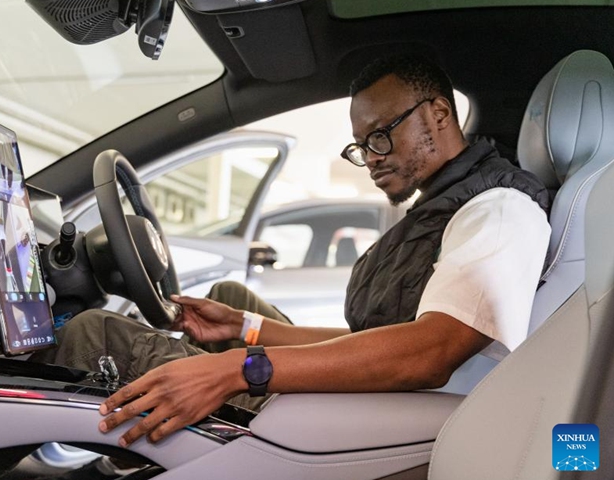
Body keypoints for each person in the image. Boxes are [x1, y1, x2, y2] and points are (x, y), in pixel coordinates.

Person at [32, 53, 551, 449]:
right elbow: (376, 339)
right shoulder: (447, 202)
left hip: (360, 425)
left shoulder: (497, 211)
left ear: (438, 114)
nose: (370, 159)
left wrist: (240, 368)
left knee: (92, 334)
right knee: (231, 295)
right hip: (363, 403)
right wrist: (243, 330)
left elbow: (428, 354)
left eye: (381, 137)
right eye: (360, 145)